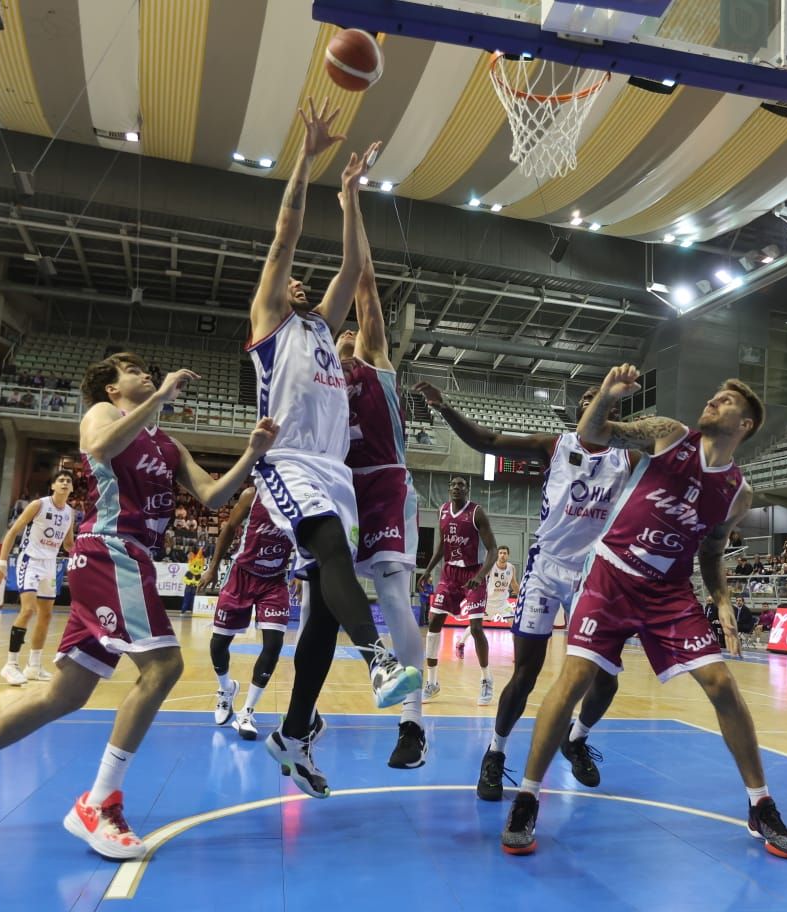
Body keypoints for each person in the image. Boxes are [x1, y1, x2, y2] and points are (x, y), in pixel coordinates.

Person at [0, 353, 278, 858]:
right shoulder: (102, 414)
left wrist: (251, 452)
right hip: (110, 551)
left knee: (65, 695)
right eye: (133, 372)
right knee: (163, 666)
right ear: (113, 389)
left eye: (149, 370)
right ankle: (99, 803)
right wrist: (160, 398)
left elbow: (210, 494)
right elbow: (98, 446)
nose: (146, 374)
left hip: (125, 557)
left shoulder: (167, 442)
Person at [500, 365, 787, 860]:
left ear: (744, 425)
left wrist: (722, 598)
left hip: (669, 592)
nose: (713, 401)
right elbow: (591, 432)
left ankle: (760, 804)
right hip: (612, 574)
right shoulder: (668, 435)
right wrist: (607, 394)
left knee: (723, 685)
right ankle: (528, 797)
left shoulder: (737, 491)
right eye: (714, 394)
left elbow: (711, 548)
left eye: (726, 402)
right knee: (575, 678)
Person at [246, 102, 418, 800]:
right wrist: (308, 157)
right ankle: (379, 658)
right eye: (288, 279)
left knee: (321, 610)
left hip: (335, 477)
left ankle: (291, 733)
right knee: (333, 555)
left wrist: (351, 197)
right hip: (287, 464)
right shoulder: (269, 325)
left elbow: (354, 265)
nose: (296, 279)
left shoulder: (325, 332)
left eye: (299, 281)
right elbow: (286, 231)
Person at [415, 382, 632, 800]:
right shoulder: (555, 446)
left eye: (601, 401)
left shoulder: (628, 457)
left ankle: (576, 739)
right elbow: (488, 440)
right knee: (525, 673)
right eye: (586, 401)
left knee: (606, 679)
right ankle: (494, 754)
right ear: (579, 413)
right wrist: (444, 408)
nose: (593, 405)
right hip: (546, 569)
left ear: (613, 412)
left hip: (593, 572)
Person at [333, 222, 429, 769]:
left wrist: (354, 211)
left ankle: (412, 724)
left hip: (386, 481)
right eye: (339, 334)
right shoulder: (323, 381)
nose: (348, 334)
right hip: (342, 491)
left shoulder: (376, 366)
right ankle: (308, 713)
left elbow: (365, 291)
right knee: (328, 600)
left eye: (352, 334)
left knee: (394, 595)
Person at [198, 487, 294, 740]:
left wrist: (301, 576)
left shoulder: (300, 498)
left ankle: (247, 712)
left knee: (273, 644)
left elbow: (306, 540)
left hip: (274, 581)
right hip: (241, 575)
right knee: (219, 643)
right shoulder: (252, 496)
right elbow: (229, 528)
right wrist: (213, 567)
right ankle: (226, 688)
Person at [0, 470, 77, 684]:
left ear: (72, 488)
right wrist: (1, 562)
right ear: (53, 486)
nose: (65, 483)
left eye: (68, 481)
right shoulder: (38, 505)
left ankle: (34, 666)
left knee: (46, 615)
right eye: (61, 480)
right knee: (28, 609)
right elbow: (13, 532)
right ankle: (10, 665)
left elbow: (68, 544)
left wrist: (86, 554)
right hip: (30, 560)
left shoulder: (70, 512)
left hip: (50, 564)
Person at [419, 477, 498, 705]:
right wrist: (428, 570)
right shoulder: (442, 511)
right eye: (452, 484)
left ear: (467, 489)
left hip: (473, 573)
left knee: (475, 628)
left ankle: (486, 679)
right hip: (449, 574)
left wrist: (480, 576)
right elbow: (442, 545)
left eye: (461, 485)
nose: (456, 488)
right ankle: (432, 682)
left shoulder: (476, 513)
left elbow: (492, 550)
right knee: (434, 622)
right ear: (448, 488)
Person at [455, 545, 518, 654]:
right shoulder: (491, 567)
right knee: (475, 626)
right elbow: (479, 579)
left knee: (515, 626)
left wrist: (522, 596)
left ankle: (517, 653)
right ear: (497, 555)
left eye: (505, 553)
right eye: (501, 553)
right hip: (488, 603)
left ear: (508, 555)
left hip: (503, 603)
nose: (502, 555)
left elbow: (514, 584)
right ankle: (461, 643)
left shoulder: (511, 568)